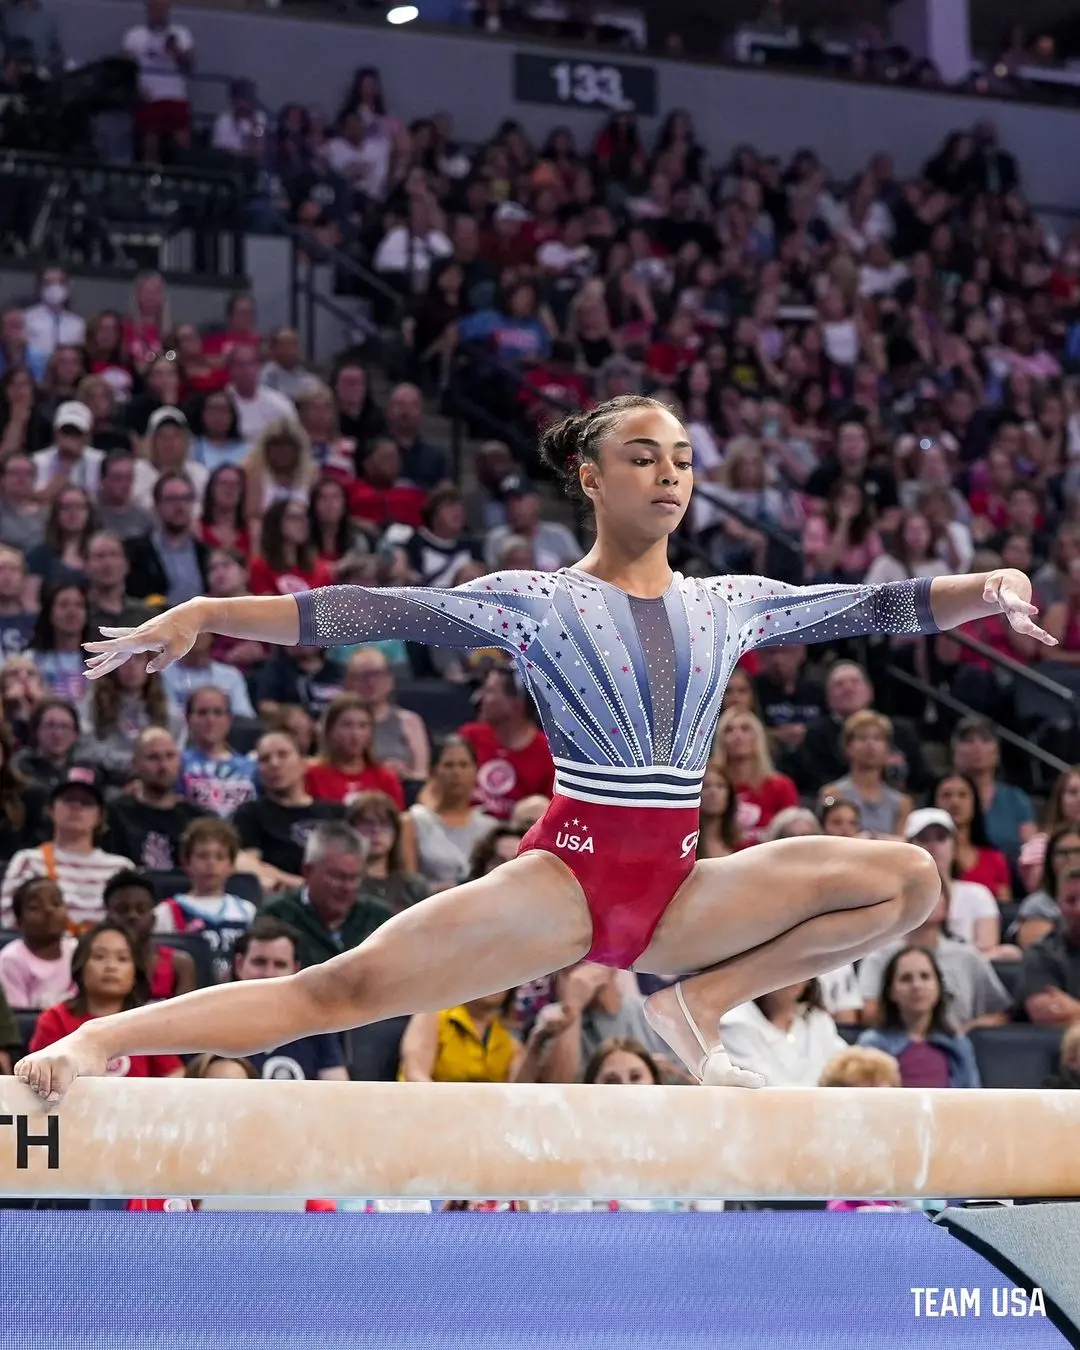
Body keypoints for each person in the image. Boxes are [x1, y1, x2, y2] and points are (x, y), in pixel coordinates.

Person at [17, 394, 1055, 1100]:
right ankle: (101, 1037)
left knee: (911, 883)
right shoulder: (535, 603)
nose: (671, 475)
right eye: (643, 456)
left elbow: (874, 603)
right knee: (334, 994)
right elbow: (368, 608)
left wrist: (991, 589)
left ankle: (698, 1001)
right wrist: (208, 608)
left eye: (684, 460)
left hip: (686, 898)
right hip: (567, 881)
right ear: (591, 479)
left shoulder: (731, 602)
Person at [27, 919, 185, 1079]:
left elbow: (174, 1074)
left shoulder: (148, 1022)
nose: (111, 966)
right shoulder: (54, 1020)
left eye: (122, 958)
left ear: (136, 972)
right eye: (99, 956)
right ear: (81, 967)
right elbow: (40, 1076)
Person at [858, 946, 981, 1088]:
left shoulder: (958, 1044)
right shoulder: (872, 1044)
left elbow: (973, 1099)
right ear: (891, 991)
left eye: (925, 976)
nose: (917, 985)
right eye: (906, 978)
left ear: (939, 986)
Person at [104, 870, 197, 1000]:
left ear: (153, 919)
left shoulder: (180, 964)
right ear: (108, 917)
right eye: (122, 910)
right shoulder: (100, 965)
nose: (132, 916)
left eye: (141, 909)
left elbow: (185, 1017)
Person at [0, 877, 76, 1011]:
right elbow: (19, 1018)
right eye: (35, 907)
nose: (49, 910)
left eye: (56, 903)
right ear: (19, 922)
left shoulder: (77, 950)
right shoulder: (10, 960)